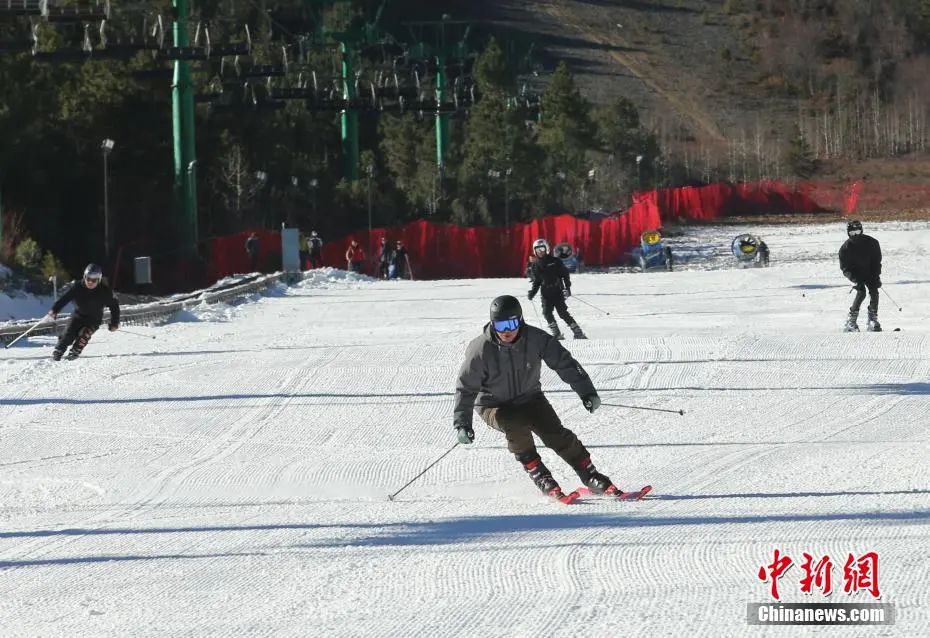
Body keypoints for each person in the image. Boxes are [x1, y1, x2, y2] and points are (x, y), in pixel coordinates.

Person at [452, 295, 616, 500]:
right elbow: (466, 388)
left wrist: (587, 392)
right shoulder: (480, 350)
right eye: (500, 325)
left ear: (520, 320)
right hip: (493, 405)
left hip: (530, 398)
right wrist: (462, 424)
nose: (506, 331)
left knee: (555, 433)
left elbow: (564, 363)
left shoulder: (536, 339)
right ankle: (540, 474)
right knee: (515, 425)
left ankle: (590, 474)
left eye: (511, 324)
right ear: (493, 324)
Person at [47, 264, 120, 361]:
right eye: (88, 278)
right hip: (78, 316)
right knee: (68, 334)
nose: (90, 282)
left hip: (94, 320)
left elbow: (114, 306)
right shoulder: (78, 287)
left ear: (99, 280)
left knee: (85, 334)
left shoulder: (105, 291)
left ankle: (76, 349)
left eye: (94, 280)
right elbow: (65, 298)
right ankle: (59, 351)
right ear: (84, 277)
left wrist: (114, 323)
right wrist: (55, 309)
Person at [527, 238, 586, 340]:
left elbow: (565, 274)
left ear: (547, 249)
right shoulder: (535, 266)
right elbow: (537, 282)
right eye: (537, 250)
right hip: (546, 293)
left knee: (562, 313)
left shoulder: (555, 261)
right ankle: (557, 334)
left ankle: (578, 332)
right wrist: (532, 292)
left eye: (542, 249)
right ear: (534, 251)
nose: (540, 252)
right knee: (546, 313)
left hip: (557, 291)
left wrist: (567, 287)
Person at [839, 219, 882, 332]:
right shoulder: (845, 249)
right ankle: (851, 321)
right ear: (848, 233)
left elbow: (876, 262)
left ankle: (872, 319)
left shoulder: (872, 243)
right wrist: (855, 279)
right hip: (856, 274)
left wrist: (876, 276)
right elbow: (845, 268)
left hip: (870, 272)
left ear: (861, 231)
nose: (855, 235)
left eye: (858, 232)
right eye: (852, 233)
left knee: (874, 290)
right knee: (861, 292)